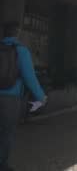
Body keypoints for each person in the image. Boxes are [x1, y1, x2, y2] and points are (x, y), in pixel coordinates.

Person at [0, 21, 46, 171]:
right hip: (10, 98)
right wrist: (41, 96)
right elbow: (29, 77)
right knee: (6, 132)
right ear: (17, 33)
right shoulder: (21, 50)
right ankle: (2, 164)